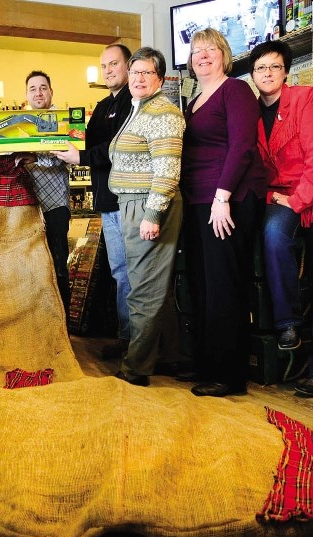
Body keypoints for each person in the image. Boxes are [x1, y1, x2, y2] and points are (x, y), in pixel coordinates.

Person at [249, 40, 313, 397]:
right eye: (261, 67)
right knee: (273, 237)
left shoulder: (306, 98)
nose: (267, 73)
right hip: (283, 195)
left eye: (274, 67)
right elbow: (255, 169)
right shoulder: (252, 112)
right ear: (252, 74)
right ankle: (288, 324)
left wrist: (297, 201)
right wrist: (272, 198)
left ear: (285, 72)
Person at [179, 28, 266, 397]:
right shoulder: (194, 99)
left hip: (225, 199)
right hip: (197, 200)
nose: (203, 55)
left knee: (223, 284)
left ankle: (228, 374)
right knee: (199, 281)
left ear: (224, 55)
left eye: (211, 49)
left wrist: (222, 196)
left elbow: (243, 146)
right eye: (197, 50)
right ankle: (205, 363)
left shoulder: (236, 90)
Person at [108, 46, 185, 387]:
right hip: (133, 204)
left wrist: (152, 214)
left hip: (148, 206)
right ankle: (173, 358)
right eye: (135, 71)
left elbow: (168, 170)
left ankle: (135, 368)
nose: (138, 78)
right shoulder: (139, 109)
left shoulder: (164, 113)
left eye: (146, 73)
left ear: (159, 78)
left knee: (143, 289)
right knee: (155, 286)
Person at [53, 44, 134, 361]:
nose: (109, 70)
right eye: (104, 66)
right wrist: (54, 131)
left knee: (130, 274)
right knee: (119, 273)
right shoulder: (102, 106)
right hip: (107, 203)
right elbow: (82, 140)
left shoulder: (134, 101)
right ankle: (126, 338)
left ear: (128, 65)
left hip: (128, 202)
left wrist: (82, 156)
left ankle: (135, 344)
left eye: (114, 64)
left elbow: (117, 149)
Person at [23, 71, 72, 314]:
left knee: (58, 263)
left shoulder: (62, 120)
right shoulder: (21, 123)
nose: (38, 93)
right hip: (27, 207)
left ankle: (62, 321)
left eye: (43, 88)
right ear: (26, 94)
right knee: (32, 264)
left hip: (55, 206)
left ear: (51, 91)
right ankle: (40, 318)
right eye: (33, 89)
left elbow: (63, 158)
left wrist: (32, 158)